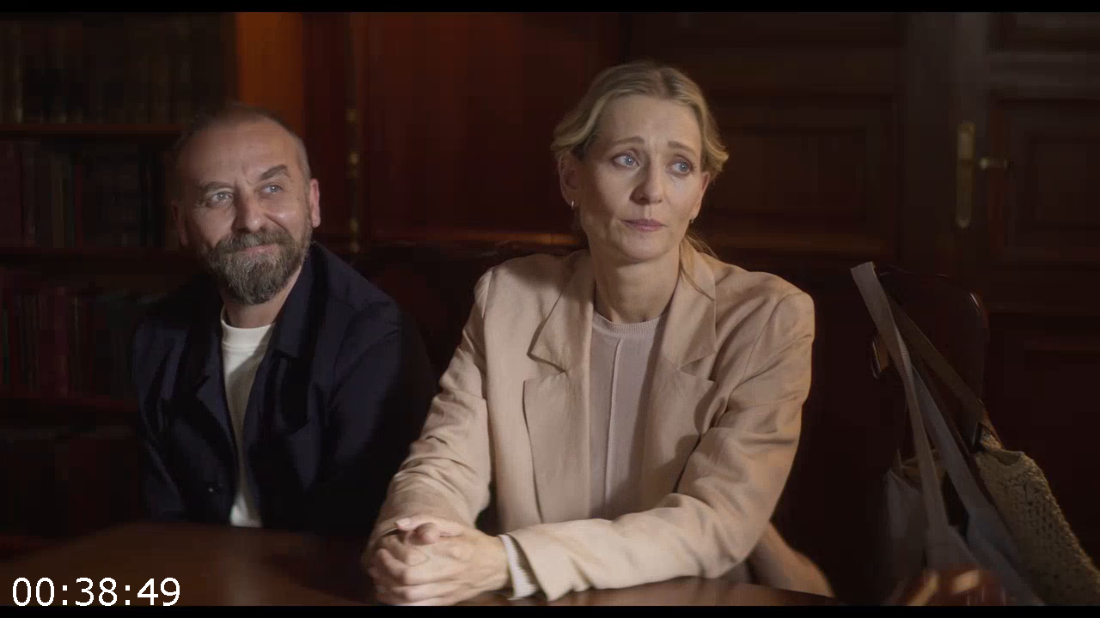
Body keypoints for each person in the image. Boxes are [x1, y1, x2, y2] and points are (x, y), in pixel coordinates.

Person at [364, 61, 834, 605]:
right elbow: (445, 463)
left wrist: (507, 561)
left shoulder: (768, 318)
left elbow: (715, 523)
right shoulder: (508, 299)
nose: (652, 190)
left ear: (700, 193)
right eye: (626, 159)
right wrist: (416, 539)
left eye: (679, 166)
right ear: (571, 177)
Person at [130, 102, 436, 535]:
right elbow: (163, 524)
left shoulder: (374, 338)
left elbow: (359, 534)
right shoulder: (158, 336)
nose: (251, 220)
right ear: (181, 223)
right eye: (219, 197)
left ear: (312, 202)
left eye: (272, 188)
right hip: (197, 568)